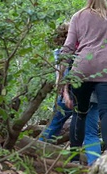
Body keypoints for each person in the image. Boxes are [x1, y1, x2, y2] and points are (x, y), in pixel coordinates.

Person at [60, 0, 107, 158]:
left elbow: (68, 48)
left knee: (79, 113)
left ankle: (74, 158)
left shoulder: (78, 17)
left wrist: (62, 81)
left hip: (83, 68)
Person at [40, 22, 101, 165]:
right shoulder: (86, 49)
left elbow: (60, 77)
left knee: (55, 124)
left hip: (69, 94)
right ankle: (95, 164)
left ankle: (39, 150)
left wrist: (63, 93)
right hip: (86, 94)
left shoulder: (62, 52)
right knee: (90, 132)